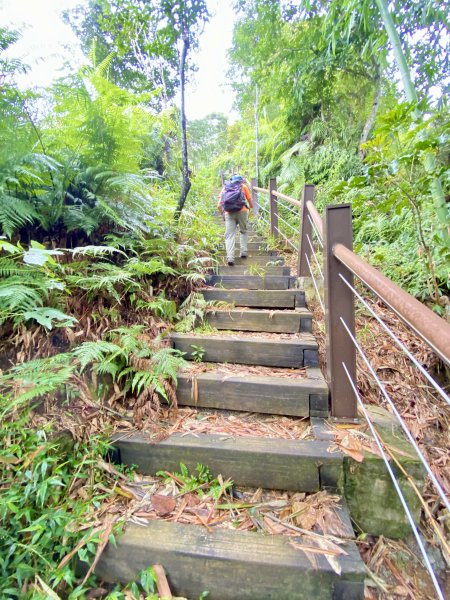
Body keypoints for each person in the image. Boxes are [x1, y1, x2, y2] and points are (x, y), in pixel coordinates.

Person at [217, 175, 253, 266]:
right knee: (243, 231)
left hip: (229, 213)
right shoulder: (243, 187)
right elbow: (249, 199)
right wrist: (251, 208)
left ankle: (230, 257)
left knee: (229, 235)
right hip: (243, 211)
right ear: (241, 181)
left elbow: (218, 205)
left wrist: (223, 214)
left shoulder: (225, 187)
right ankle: (243, 252)